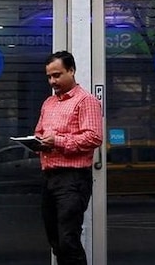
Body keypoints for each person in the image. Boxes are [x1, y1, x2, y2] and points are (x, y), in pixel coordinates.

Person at [34, 50, 103, 265]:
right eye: (49, 77)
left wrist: (58, 141)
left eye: (57, 75)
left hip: (73, 178)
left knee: (68, 240)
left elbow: (94, 137)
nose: (52, 81)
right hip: (50, 177)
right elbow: (39, 132)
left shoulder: (86, 101)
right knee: (55, 239)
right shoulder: (48, 103)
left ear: (71, 70)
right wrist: (36, 142)